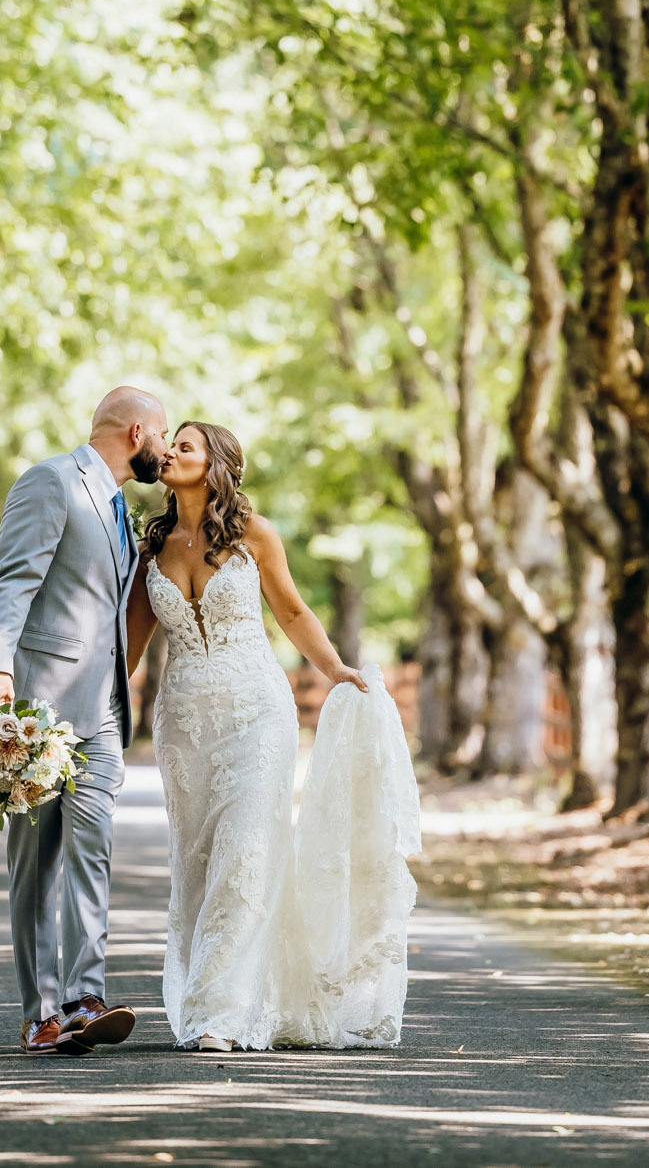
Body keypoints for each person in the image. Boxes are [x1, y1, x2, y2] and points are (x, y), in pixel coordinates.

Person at [129, 421, 420, 1051]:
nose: (171, 452)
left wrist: (336, 669)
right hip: (183, 725)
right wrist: (89, 711)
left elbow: (290, 609)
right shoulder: (150, 546)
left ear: (216, 466)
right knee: (199, 861)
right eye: (171, 444)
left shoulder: (252, 534)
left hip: (257, 714)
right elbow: (132, 645)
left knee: (247, 854)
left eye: (186, 445)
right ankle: (233, 993)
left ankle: (219, 1015)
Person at [0, 386, 168, 1056]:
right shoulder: (51, 480)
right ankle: (40, 1011)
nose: (166, 452)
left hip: (107, 712)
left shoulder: (122, 510)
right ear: (138, 431)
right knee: (36, 862)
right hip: (41, 708)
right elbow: (13, 579)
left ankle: (86, 996)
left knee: (94, 847)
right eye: (164, 438)